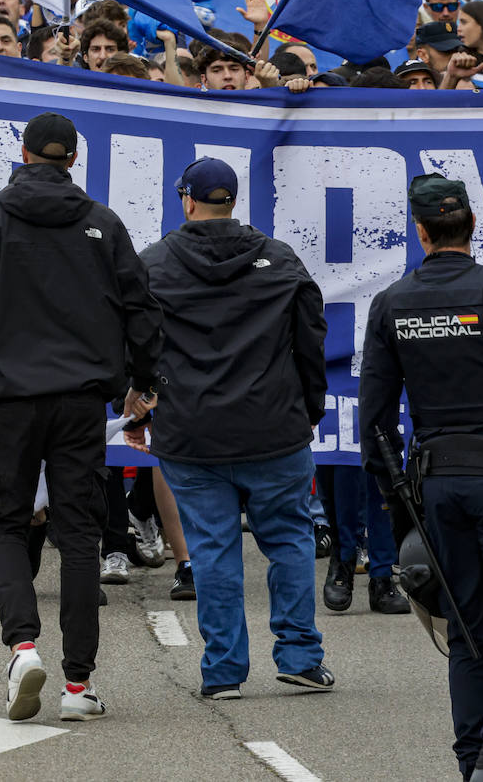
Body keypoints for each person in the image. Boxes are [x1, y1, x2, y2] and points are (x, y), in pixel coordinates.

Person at [0, 112, 163, 723]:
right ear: (72, 161)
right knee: (81, 535)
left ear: (26, 154)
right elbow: (140, 308)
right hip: (83, 398)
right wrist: (142, 384)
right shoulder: (101, 222)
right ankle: (79, 687)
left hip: (10, 395)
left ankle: (23, 647)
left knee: (5, 522)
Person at [123, 157, 336, 701]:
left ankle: (223, 672)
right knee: (288, 539)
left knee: (213, 550)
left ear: (187, 200)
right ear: (233, 202)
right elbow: (311, 340)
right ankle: (300, 657)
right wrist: (311, 406)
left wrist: (139, 405)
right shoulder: (279, 259)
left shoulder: (156, 263)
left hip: (193, 432)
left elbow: (136, 345)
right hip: (274, 427)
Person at [359, 173, 483, 781]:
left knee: (466, 630)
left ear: (420, 233)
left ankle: (472, 764)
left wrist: (396, 507)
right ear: (472, 226)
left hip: (437, 483)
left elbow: (376, 419)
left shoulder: (394, 302)